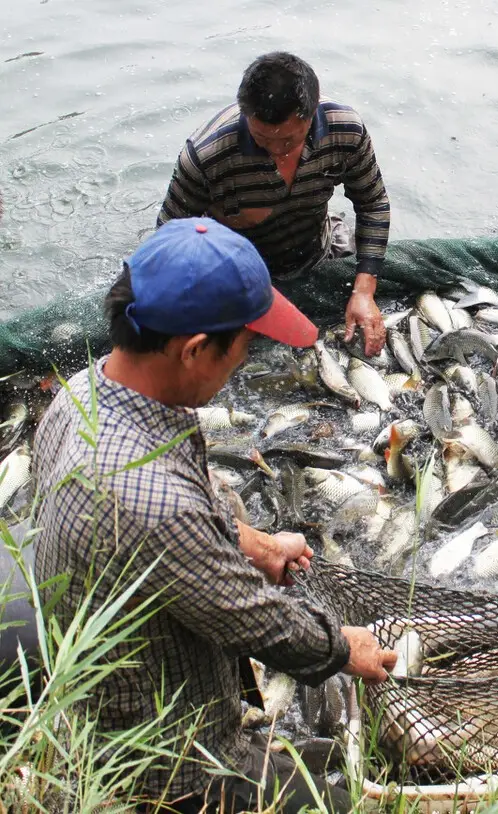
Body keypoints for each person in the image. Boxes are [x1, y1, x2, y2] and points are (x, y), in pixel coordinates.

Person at [32, 218, 397, 812]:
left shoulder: (82, 392)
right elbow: (258, 623)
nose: (244, 360)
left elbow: (182, 503)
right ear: (196, 349)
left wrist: (253, 541)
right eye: (245, 345)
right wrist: (343, 647)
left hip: (97, 665)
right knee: (342, 803)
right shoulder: (151, 505)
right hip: (163, 754)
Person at [158, 51, 391, 356]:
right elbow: (169, 238)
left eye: (288, 141)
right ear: (246, 115)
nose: (276, 152)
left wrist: (364, 290)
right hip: (237, 273)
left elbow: (373, 203)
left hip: (316, 248)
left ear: (311, 116)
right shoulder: (206, 155)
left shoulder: (345, 131)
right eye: (262, 139)